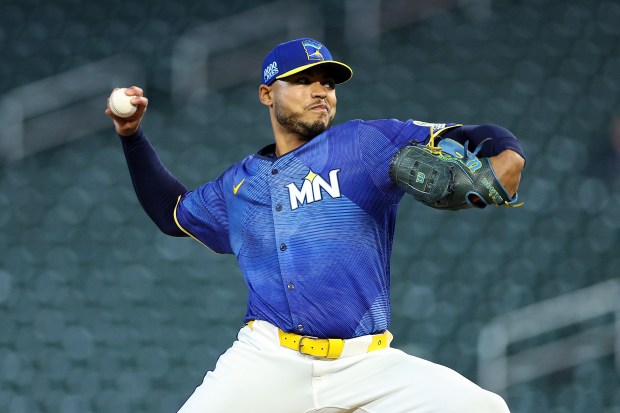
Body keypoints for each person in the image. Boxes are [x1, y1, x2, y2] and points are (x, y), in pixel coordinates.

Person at [106, 38, 525, 413]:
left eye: (328, 81)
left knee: (484, 408)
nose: (321, 90)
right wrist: (132, 137)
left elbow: (473, 136)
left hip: (366, 362)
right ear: (267, 94)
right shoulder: (239, 185)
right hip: (268, 360)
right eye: (305, 80)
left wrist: (508, 153)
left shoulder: (365, 143)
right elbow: (171, 212)